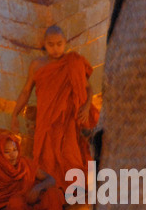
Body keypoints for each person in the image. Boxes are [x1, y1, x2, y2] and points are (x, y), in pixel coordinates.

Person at [11, 25, 99, 192]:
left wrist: (87, 107)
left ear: (65, 42)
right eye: (51, 44)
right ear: (45, 44)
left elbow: (88, 88)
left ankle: (69, 191)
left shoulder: (74, 62)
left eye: (59, 44)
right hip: (45, 122)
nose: (55, 48)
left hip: (68, 121)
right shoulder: (37, 65)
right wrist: (14, 115)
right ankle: (54, 191)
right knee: (46, 162)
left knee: (70, 157)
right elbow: (25, 91)